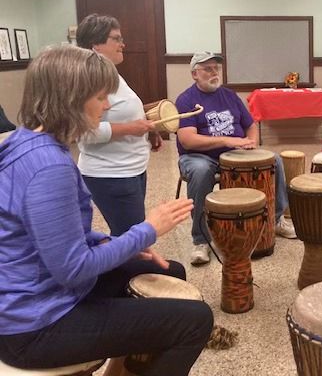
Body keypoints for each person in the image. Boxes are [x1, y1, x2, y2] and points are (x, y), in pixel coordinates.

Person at [0, 45, 212, 376]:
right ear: (71, 99)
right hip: (35, 326)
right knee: (196, 322)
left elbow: (55, 234)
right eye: (100, 97)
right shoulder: (47, 167)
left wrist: (113, 241)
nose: (108, 105)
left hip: (44, 295)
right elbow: (72, 269)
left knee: (171, 272)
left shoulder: (27, 141)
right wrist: (148, 229)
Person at [176, 51, 297, 265]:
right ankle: (200, 239)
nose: (214, 72)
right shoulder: (186, 100)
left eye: (216, 68)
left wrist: (251, 143)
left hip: (235, 152)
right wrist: (226, 141)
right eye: (208, 69)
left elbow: (250, 125)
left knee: (274, 160)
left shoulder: (230, 95)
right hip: (199, 156)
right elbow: (188, 140)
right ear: (195, 74)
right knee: (201, 171)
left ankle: (276, 219)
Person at [76, 13, 161, 236]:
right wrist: (133, 129)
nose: (123, 44)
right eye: (116, 38)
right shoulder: (86, 79)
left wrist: (147, 131)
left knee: (132, 236)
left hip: (130, 169)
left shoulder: (110, 74)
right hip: (111, 174)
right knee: (132, 240)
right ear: (96, 45)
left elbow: (122, 112)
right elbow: (83, 132)